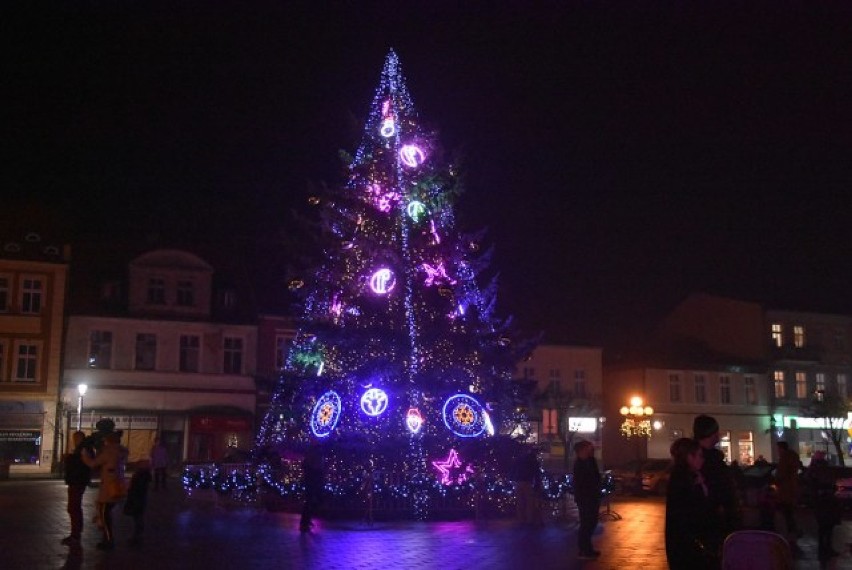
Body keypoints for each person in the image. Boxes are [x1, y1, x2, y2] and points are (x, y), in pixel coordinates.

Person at [665, 437, 723, 570]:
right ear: (689, 457)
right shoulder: (684, 480)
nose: (703, 459)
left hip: (688, 544)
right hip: (690, 547)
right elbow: (694, 512)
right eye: (700, 455)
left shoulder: (690, 476)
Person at [693, 414, 741, 535]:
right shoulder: (706, 460)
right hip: (714, 519)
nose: (718, 434)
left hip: (714, 516)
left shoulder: (701, 457)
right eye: (716, 431)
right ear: (711, 433)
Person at [82, 432, 127, 550]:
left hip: (108, 487)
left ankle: (108, 540)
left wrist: (85, 456)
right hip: (117, 486)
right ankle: (107, 538)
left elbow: (93, 463)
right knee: (106, 513)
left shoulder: (109, 452)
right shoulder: (121, 452)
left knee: (104, 514)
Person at [805, 451, 840, 561]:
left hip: (822, 500)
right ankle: (826, 548)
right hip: (824, 500)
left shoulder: (814, 469)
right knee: (826, 526)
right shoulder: (820, 469)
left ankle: (824, 549)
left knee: (825, 526)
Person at [61, 430, 92, 547]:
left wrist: (69, 458)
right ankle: (76, 533)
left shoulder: (83, 450)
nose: (74, 441)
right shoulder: (82, 450)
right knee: (74, 508)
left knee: (74, 507)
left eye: (76, 439)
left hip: (77, 482)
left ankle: (76, 534)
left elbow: (83, 465)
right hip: (77, 481)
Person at [572, 440, 601, 559]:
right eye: (588, 448)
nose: (591, 449)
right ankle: (584, 549)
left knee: (592, 521)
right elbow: (580, 482)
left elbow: (596, 476)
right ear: (582, 450)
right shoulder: (579, 464)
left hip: (593, 496)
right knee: (586, 522)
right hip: (585, 498)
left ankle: (587, 548)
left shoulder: (591, 461)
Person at [775, 441, 803, 539]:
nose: (777, 451)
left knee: (786, 511)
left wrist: (777, 481)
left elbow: (781, 474)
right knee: (789, 511)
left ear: (781, 448)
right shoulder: (793, 457)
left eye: (778, 449)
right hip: (791, 488)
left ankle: (791, 532)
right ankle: (793, 531)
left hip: (785, 489)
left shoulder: (784, 459)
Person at [124, 459, 152, 546]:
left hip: (137, 498)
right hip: (139, 498)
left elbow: (137, 487)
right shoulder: (143, 475)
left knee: (137, 517)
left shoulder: (141, 475)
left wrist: (130, 487)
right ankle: (137, 535)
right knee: (138, 517)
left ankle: (137, 536)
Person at [513, 448, 542, 525]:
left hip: (518, 481)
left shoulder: (521, 459)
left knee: (520, 502)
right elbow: (537, 474)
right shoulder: (534, 461)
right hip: (527, 482)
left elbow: (515, 468)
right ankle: (529, 520)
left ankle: (520, 519)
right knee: (529, 502)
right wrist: (537, 484)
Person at [300, 445, 324, 532]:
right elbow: (315, 466)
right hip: (312, 480)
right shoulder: (315, 453)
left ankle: (306, 521)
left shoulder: (314, 452)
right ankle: (304, 523)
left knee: (310, 501)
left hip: (312, 480)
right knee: (309, 501)